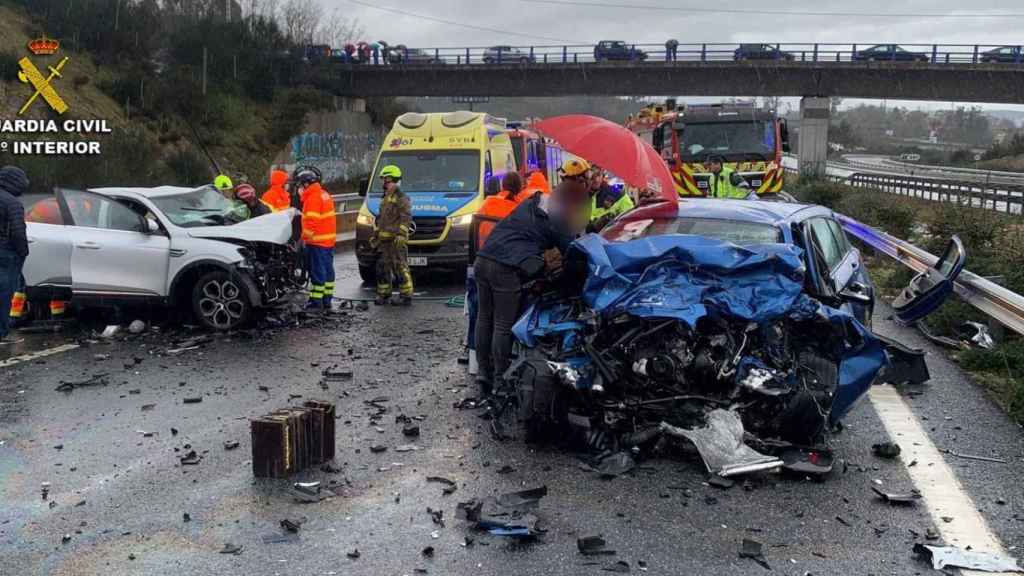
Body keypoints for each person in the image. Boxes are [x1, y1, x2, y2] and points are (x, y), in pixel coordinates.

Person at [472, 158, 592, 397]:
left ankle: (483, 372)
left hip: (483, 259)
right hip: (505, 267)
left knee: (484, 318)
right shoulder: (557, 219)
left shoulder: (533, 200)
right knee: (503, 325)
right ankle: (501, 381)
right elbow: (573, 252)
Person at [373, 165, 414, 306]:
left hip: (395, 240)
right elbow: (382, 219)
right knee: (382, 267)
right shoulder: (385, 198)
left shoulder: (401, 198)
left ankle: (406, 295)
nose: (384, 184)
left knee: (400, 267)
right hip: (384, 241)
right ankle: (384, 294)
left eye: (386, 181)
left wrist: (402, 234)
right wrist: (376, 234)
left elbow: (406, 217)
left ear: (393, 181)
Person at [298, 169, 337, 311]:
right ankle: (327, 300)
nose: (299, 188)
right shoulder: (324, 194)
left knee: (317, 273)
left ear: (307, 184)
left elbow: (311, 222)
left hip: (317, 242)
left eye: (301, 185)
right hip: (328, 242)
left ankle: (316, 302)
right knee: (327, 271)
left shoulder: (313, 198)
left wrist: (302, 240)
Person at [0, 166, 30, 344]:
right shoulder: (12, 203)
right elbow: (18, 233)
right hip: (5, 254)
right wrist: (23, 252)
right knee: (4, 295)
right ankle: (2, 332)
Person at [589, 168, 635, 232]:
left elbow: (631, 218)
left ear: (602, 174)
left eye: (598, 175)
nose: (596, 180)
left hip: (606, 238)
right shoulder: (576, 193)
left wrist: (615, 223)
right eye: (592, 176)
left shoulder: (617, 194)